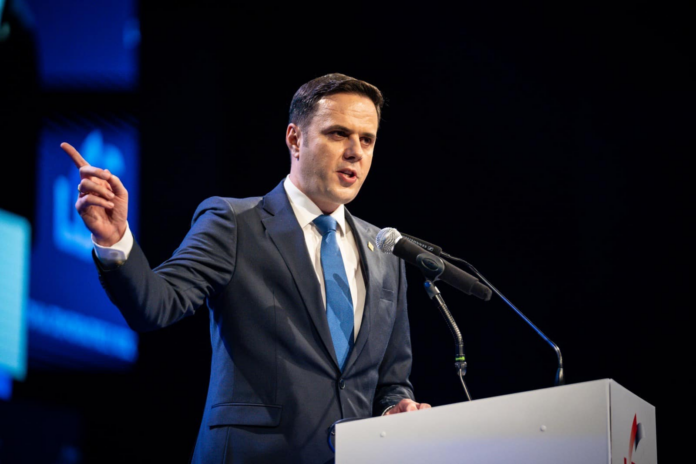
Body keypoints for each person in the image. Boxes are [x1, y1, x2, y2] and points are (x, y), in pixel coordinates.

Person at [63, 73, 430, 463]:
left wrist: (395, 409)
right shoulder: (235, 223)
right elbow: (154, 304)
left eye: (367, 139)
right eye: (338, 134)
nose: (355, 152)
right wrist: (115, 239)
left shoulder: (385, 251)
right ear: (295, 139)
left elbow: (391, 381)